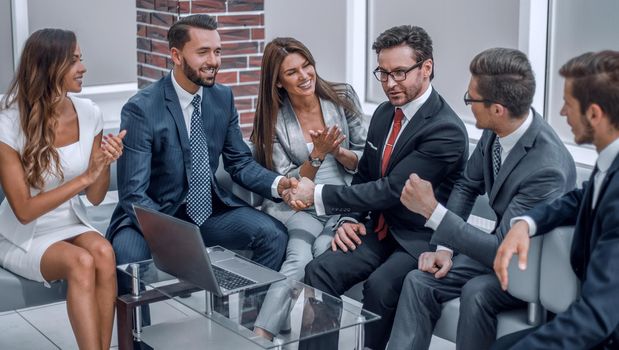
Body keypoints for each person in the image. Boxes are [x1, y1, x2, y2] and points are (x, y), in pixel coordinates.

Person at [288, 25, 468, 349]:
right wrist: (349, 219)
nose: (389, 84)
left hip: (418, 238)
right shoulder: (385, 113)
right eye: (382, 73)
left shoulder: (446, 130)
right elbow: (367, 173)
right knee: (319, 270)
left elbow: (391, 189)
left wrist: (316, 194)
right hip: (379, 227)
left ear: (426, 68)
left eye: (399, 73)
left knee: (380, 287)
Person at [387, 48, 576, 350]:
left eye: (470, 99)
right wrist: (444, 248)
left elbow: (503, 250)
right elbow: (466, 184)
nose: (467, 103)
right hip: (495, 250)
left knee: (477, 292)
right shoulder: (497, 129)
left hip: (529, 267)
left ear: (497, 108)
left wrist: (433, 211)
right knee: (419, 280)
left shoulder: (547, 167)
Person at [106, 14, 290, 314]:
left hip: (208, 213)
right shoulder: (141, 108)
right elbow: (133, 194)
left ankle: (246, 330)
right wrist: (180, 239)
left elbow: (238, 162)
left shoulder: (222, 97)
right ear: (176, 56)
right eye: (203, 52)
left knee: (273, 235)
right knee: (127, 258)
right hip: (152, 216)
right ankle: (137, 343)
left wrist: (278, 184)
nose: (214, 61)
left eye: (217, 51)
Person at [0, 29, 124, 350]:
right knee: (80, 262)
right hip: (21, 234)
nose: (82, 68)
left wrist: (103, 163)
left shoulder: (90, 113)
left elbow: (95, 198)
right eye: (73, 61)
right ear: (46, 67)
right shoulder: (8, 121)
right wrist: (83, 179)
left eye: (80, 59)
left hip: (69, 221)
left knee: (104, 252)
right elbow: (24, 211)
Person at [492, 50, 619, 349]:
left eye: (568, 104)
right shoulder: (609, 164)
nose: (562, 113)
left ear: (594, 114)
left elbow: (597, 317)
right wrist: (526, 224)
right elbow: (578, 200)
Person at [250, 37, 367, 340]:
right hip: (301, 205)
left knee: (321, 251)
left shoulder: (342, 96)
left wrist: (339, 153)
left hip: (344, 201)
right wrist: (317, 155)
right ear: (277, 81)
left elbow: (368, 155)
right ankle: (260, 337)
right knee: (299, 259)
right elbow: (287, 180)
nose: (304, 76)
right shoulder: (273, 119)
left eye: (307, 66)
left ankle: (313, 326)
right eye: (292, 72)